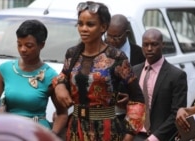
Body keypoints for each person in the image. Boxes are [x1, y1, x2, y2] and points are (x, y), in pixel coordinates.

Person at [52, 1, 146, 141]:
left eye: (90, 24)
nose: (83, 28)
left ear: (103, 27)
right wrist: (59, 85)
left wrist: (129, 135)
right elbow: (63, 76)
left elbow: (138, 99)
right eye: (80, 23)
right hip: (75, 129)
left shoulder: (116, 57)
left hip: (106, 131)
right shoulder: (72, 54)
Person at [0, 19, 68, 135]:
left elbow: (62, 113)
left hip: (35, 133)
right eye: (19, 44)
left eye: (29, 45)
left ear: (42, 45)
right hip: (9, 133)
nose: (23, 49)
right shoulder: (4, 70)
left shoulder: (51, 76)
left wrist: (52, 136)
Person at [132, 28, 187, 141]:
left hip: (160, 137)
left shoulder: (176, 75)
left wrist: (154, 138)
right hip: (134, 135)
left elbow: (176, 113)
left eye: (154, 44)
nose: (149, 49)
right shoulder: (135, 71)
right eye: (145, 45)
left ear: (163, 45)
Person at [105, 14, 145, 125]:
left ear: (127, 34)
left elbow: (144, 87)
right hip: (103, 117)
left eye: (116, 37)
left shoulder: (140, 54)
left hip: (129, 117)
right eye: (108, 36)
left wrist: (130, 99)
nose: (111, 40)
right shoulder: (100, 51)